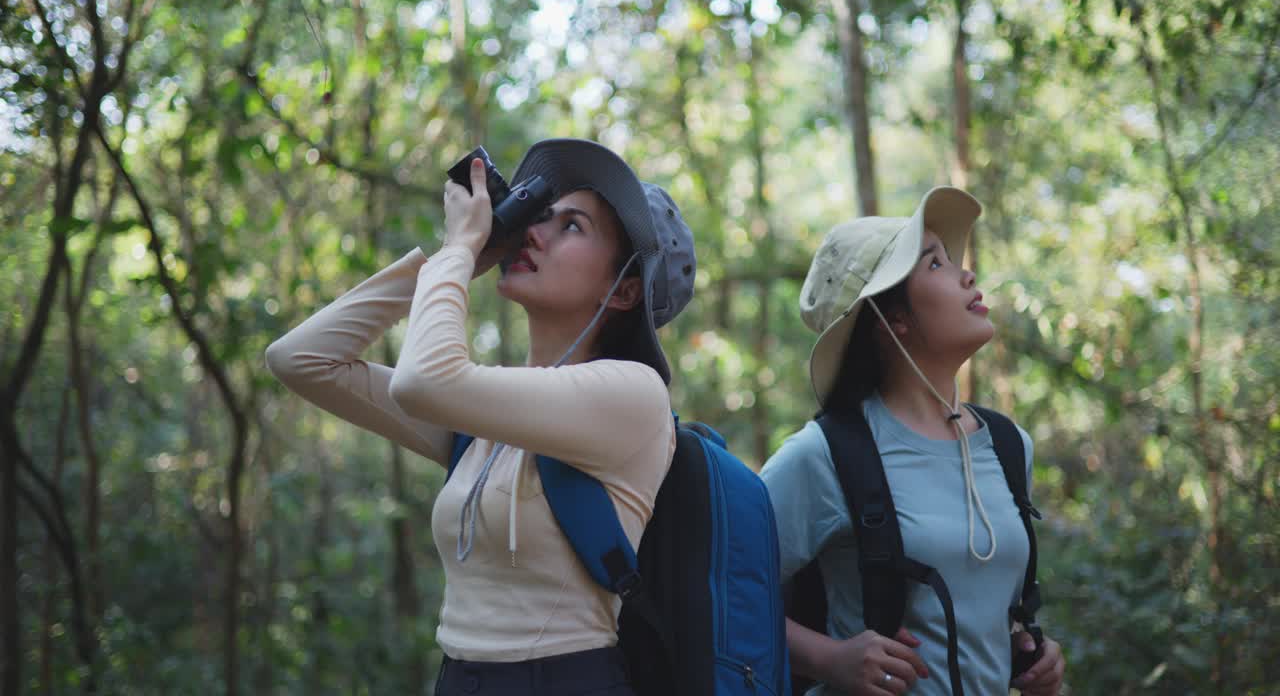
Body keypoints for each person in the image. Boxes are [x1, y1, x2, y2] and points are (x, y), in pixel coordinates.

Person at [265, 139, 696, 696]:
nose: (534, 232)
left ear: (626, 290)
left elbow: (424, 381)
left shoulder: (634, 394)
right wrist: (461, 259)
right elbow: (301, 359)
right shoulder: (485, 417)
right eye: (538, 218)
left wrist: (459, 250)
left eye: (571, 227)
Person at [760, 187, 1066, 696]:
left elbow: (988, 614)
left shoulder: (1010, 448)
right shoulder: (826, 455)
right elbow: (719, 588)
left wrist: (1032, 654)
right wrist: (830, 659)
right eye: (935, 265)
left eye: (953, 261)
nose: (966, 273)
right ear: (893, 318)